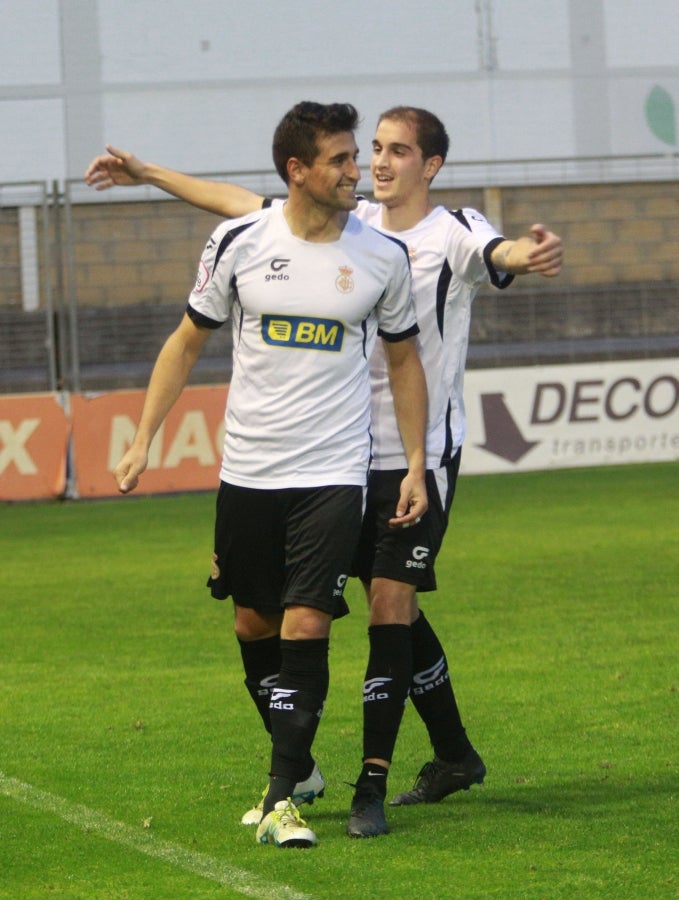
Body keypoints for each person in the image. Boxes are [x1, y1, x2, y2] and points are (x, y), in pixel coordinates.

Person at [86, 106, 563, 838]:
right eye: (367, 149)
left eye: (393, 150)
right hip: (304, 457)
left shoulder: (443, 233)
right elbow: (242, 204)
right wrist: (148, 173)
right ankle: (450, 752)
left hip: (401, 455)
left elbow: (493, 256)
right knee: (303, 613)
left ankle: (363, 786)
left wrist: (522, 258)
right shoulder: (329, 221)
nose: (373, 162)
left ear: (430, 165)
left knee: (381, 609)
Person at [107, 100, 428, 849]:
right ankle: (303, 765)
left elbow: (404, 361)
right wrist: (142, 436)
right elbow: (186, 343)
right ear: (298, 170)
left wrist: (412, 463)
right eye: (343, 160)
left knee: (307, 617)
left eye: (358, 158)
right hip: (249, 469)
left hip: (333, 470)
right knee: (251, 620)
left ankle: (282, 797)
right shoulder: (239, 243)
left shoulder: (380, 257)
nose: (359, 172)